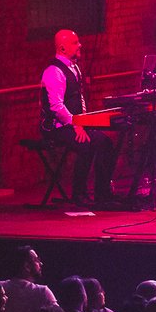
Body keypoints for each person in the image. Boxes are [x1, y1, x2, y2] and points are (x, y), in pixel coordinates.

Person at [40, 29, 118, 208]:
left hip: (75, 124)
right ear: (62, 48)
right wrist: (76, 125)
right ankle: (79, 194)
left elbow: (79, 98)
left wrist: (85, 122)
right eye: (75, 43)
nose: (80, 45)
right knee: (85, 145)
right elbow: (56, 107)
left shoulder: (74, 68)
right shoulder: (54, 72)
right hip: (56, 127)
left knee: (105, 143)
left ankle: (102, 193)